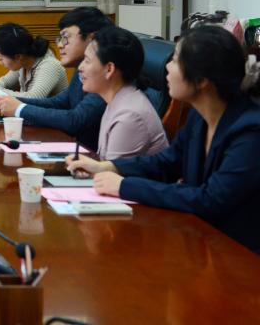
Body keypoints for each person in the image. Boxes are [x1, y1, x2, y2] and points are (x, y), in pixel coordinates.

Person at [67, 26, 260, 253]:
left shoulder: (251, 131)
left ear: (201, 80)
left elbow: (211, 200)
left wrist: (125, 187)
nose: (167, 67)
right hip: (202, 243)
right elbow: (167, 162)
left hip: (241, 256)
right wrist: (108, 167)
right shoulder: (199, 117)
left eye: (176, 60)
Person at [0, 7, 112, 151]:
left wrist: (19, 108)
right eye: (59, 38)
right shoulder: (81, 69)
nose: (60, 44)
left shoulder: (106, 74)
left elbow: (76, 120)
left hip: (92, 157)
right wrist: (8, 101)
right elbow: (58, 102)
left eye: (66, 37)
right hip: (78, 151)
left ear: (91, 39)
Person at [77, 27, 167, 160]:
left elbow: (112, 171)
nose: (80, 67)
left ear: (109, 69)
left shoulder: (130, 116)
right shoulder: (118, 100)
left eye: (87, 60)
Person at [0, 22, 67, 100]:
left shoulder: (50, 65)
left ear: (18, 56)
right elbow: (2, 82)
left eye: (0, 58)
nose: (0, 63)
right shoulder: (23, 62)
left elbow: (33, 98)